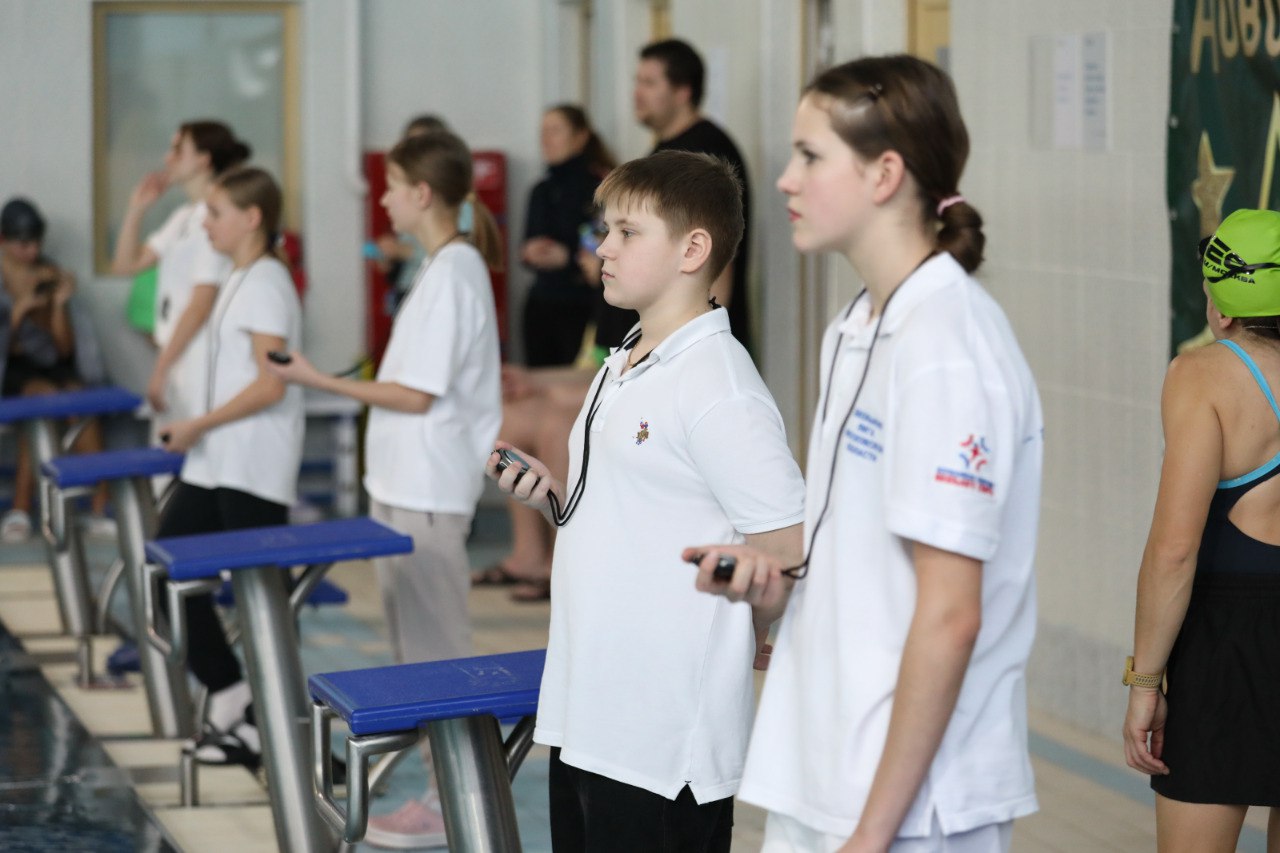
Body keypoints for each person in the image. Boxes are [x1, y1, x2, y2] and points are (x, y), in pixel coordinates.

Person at [687, 55, 1044, 852]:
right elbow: (863, 560)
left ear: (885, 174)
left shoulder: (947, 346)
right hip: (828, 771)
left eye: (810, 156)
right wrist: (774, 582)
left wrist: (872, 833)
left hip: (913, 804)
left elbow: (951, 613)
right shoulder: (858, 327)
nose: (785, 179)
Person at [487, 149, 805, 852]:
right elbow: (635, 511)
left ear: (693, 250)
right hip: (589, 708)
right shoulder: (627, 358)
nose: (603, 248)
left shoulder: (718, 384)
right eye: (607, 230)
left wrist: (751, 629)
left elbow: (787, 544)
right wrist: (552, 497)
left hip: (660, 738)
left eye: (628, 232)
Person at [270, 129, 503, 850]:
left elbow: (413, 393)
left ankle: (454, 803)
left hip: (429, 489)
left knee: (438, 656)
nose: (383, 200)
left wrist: (316, 380)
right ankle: (441, 794)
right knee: (415, 654)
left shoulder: (456, 272)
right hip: (407, 486)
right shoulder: (439, 266)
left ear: (422, 193)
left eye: (393, 187)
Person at [1124, 209, 1280, 852]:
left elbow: (1174, 550)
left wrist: (1145, 683)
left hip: (1226, 648)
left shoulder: (1202, 376)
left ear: (1220, 305)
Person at [154, 167, 303, 773]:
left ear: (252, 218)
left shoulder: (266, 281)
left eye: (216, 213)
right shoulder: (240, 276)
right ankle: (234, 695)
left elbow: (272, 384)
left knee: (261, 600)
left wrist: (199, 424)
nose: (206, 223)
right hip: (216, 461)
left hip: (252, 465)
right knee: (167, 568)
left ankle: (278, 730)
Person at [472, 105, 614, 600]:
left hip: (587, 350)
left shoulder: (630, 298)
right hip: (565, 332)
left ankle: (563, 560)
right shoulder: (611, 299)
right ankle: (529, 554)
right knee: (511, 413)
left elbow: (616, 374)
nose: (603, 252)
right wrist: (531, 378)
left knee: (555, 418)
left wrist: (574, 263)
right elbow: (599, 363)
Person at [110, 120, 251, 422]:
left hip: (202, 356)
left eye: (178, 150)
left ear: (203, 160)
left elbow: (200, 304)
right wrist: (136, 209)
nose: (167, 158)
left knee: (187, 445)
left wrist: (161, 368)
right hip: (177, 356)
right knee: (171, 445)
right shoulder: (183, 217)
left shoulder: (215, 220)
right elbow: (125, 265)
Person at [0, 198, 112, 543]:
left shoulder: (48, 274)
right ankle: (20, 508)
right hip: (12, 372)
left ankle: (100, 507)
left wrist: (59, 305)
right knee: (42, 403)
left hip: (50, 368)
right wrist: (19, 313)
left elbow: (63, 349)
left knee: (81, 403)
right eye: (23, 245)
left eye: (36, 244)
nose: (31, 252)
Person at [634, 38, 753, 352]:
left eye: (649, 83)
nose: (637, 93)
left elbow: (716, 260)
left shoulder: (703, 151)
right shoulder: (667, 148)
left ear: (683, 92)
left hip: (688, 343)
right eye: (638, 81)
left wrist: (695, 348)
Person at [520, 104, 615, 367]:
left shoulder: (601, 187)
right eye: (543, 132)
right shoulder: (540, 190)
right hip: (541, 302)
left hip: (582, 305)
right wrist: (530, 252)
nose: (546, 139)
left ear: (580, 137)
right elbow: (527, 244)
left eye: (555, 131)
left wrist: (568, 257)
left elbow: (605, 246)